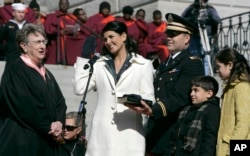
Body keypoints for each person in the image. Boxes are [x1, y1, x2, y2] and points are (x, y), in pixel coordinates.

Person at [73, 21, 155, 156]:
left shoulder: (143, 65)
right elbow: (79, 88)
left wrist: (137, 102)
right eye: (105, 39)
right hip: (101, 137)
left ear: (123, 36)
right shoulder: (99, 64)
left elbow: (149, 97)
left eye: (111, 37)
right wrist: (83, 58)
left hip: (129, 135)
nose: (108, 42)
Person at [128, 13, 205, 156]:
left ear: (187, 38)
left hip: (173, 132)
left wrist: (154, 109)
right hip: (155, 131)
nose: (169, 37)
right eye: (168, 33)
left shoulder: (192, 63)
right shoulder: (163, 64)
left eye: (174, 34)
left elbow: (181, 97)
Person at [0, 23, 67, 155]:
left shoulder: (46, 72)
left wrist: (59, 122)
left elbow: (59, 101)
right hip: (23, 139)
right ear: (23, 46)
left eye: (43, 41)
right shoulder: (16, 70)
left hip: (46, 139)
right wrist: (49, 126)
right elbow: (26, 106)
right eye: (37, 42)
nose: (42, 46)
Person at [170, 76, 220, 156]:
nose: (191, 94)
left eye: (196, 90)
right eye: (191, 90)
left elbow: (209, 140)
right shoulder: (186, 109)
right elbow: (174, 137)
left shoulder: (212, 110)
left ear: (209, 93)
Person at [215, 48, 250, 156]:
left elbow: (243, 124)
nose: (217, 70)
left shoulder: (242, 87)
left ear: (229, 65)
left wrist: (233, 152)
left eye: (218, 67)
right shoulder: (230, 88)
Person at [182, 0, 220, 75]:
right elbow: (182, 18)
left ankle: (205, 75)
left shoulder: (209, 9)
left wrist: (208, 15)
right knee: (195, 55)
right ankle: (195, 74)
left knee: (206, 56)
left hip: (206, 36)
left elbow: (217, 20)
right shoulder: (191, 8)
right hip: (194, 35)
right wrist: (191, 18)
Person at [44, 0, 78, 65]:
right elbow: (48, 29)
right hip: (56, 41)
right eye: (62, 4)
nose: (64, 5)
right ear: (59, 5)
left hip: (68, 42)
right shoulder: (53, 16)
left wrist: (74, 31)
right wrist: (59, 32)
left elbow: (76, 28)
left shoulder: (72, 17)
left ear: (68, 6)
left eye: (66, 4)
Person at [0, 2, 27, 70]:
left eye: (22, 12)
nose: (21, 15)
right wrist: (5, 50)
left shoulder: (28, 26)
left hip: (26, 57)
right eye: (19, 12)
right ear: (13, 13)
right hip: (11, 57)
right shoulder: (7, 26)